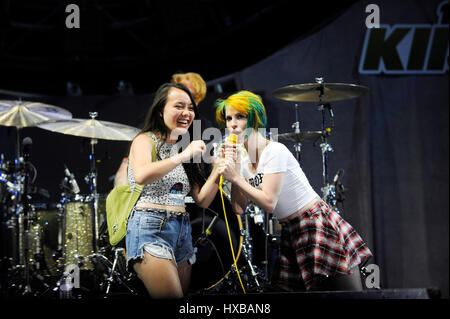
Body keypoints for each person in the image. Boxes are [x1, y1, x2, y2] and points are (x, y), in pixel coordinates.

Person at [215, 90, 373, 292]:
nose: (233, 124)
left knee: (349, 295)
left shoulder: (274, 150)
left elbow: (268, 202)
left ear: (255, 118)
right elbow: (238, 207)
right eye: (228, 118)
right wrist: (235, 170)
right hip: (291, 231)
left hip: (315, 222)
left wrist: (236, 178)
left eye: (240, 116)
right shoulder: (243, 160)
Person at [125, 82, 221, 299]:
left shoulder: (187, 148)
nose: (186, 113)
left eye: (190, 108)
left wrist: (217, 170)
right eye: (179, 106)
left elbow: (202, 200)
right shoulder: (145, 140)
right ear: (161, 110)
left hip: (182, 232)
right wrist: (183, 155)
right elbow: (141, 175)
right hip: (150, 227)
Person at [113, 72, 208, 186]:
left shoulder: (203, 127)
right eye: (179, 105)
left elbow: (201, 196)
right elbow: (137, 172)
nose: (186, 111)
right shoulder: (146, 137)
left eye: (192, 97)